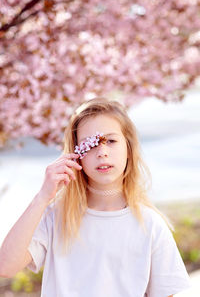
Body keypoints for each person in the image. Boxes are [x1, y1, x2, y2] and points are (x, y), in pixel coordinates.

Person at [0, 97, 191, 297]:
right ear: (76, 154)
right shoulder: (56, 216)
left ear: (128, 148)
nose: (102, 152)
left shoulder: (150, 225)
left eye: (111, 141)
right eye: (90, 145)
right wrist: (42, 198)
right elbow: (6, 266)